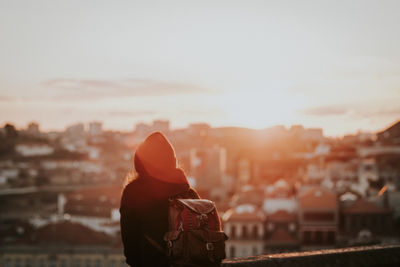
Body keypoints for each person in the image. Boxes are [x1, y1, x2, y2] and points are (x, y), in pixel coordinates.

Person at [120, 131, 200, 267]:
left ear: (141, 161)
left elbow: (130, 239)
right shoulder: (188, 192)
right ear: (172, 159)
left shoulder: (133, 193)